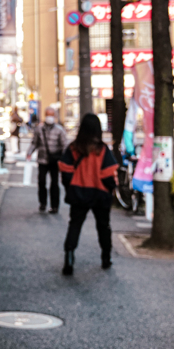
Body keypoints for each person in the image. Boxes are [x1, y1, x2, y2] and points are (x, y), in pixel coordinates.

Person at [58, 113, 118, 275]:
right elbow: (108, 175)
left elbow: (65, 171)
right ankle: (106, 257)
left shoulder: (73, 148)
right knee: (103, 226)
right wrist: (111, 189)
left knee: (75, 225)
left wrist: (71, 186)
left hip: (78, 192)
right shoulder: (102, 150)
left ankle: (69, 258)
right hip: (100, 193)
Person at [25, 108, 68, 213]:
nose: (50, 117)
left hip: (55, 161)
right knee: (41, 181)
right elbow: (34, 143)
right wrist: (29, 152)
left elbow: (64, 146)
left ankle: (55, 206)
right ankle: (43, 203)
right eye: (48, 114)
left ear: (54, 116)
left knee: (54, 183)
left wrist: (64, 159)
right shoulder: (39, 129)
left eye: (52, 115)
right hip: (42, 160)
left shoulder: (59, 130)